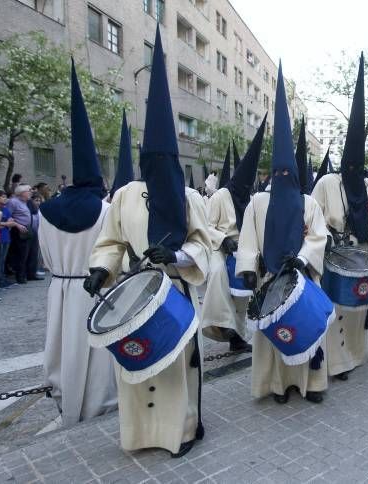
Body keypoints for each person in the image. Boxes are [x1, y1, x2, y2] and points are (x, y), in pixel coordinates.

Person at [85, 28, 212, 458]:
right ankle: (140, 434)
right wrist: (101, 268)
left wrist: (176, 255)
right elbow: (112, 240)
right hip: (132, 293)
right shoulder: (123, 195)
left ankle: (181, 431)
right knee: (135, 366)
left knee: (177, 366)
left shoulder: (189, 196)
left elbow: (203, 244)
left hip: (172, 292)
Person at [236, 63, 329, 404]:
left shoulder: (309, 203)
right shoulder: (258, 203)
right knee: (275, 336)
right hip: (269, 280)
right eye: (279, 172)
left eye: (289, 171)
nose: (284, 176)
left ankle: (312, 384)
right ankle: (278, 386)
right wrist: (248, 270)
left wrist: (303, 259)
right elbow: (247, 241)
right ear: (272, 173)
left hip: (302, 280)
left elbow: (319, 237)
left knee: (306, 328)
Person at [39, 62, 117, 427]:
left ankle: (65, 402)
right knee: (95, 357)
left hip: (61, 289)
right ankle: (95, 406)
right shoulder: (105, 211)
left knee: (64, 350)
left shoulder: (44, 212)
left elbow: (44, 258)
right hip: (96, 287)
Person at [311, 54, 368, 381]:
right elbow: (312, 218)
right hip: (334, 257)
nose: (354, 173)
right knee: (337, 309)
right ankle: (336, 361)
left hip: (363, 255)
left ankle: (355, 355)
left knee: (358, 310)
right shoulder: (327, 183)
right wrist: (326, 237)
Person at [202, 118, 266, 351]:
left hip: (243, 249)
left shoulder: (250, 200)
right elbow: (205, 226)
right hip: (220, 247)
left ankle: (237, 337)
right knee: (219, 273)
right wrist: (224, 240)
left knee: (243, 294)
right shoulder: (220, 196)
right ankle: (219, 324)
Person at [5, 184, 32, 284]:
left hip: (26, 229)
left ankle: (24, 274)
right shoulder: (13, 202)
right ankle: (20, 276)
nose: (30, 192)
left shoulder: (25, 202)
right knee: (20, 254)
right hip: (18, 230)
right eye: (28, 191)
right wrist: (16, 224)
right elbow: (8, 216)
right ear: (22, 192)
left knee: (25, 254)